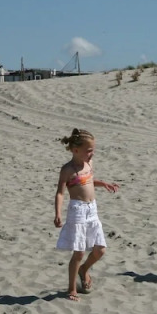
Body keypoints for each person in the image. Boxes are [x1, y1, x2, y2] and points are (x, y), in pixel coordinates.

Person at [54, 128, 119, 301]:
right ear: (75, 150)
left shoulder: (89, 164)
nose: (92, 153)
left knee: (100, 250)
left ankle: (84, 270)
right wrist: (58, 213)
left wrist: (103, 183)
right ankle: (72, 288)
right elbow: (60, 192)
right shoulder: (67, 169)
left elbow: (88, 181)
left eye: (92, 150)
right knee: (79, 253)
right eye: (88, 150)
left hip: (92, 209)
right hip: (78, 211)